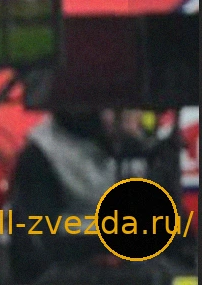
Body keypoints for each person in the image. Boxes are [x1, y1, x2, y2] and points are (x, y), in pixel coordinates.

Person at [10, 110, 186, 284]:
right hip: (67, 269)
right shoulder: (41, 153)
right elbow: (44, 239)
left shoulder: (141, 150)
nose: (137, 115)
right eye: (124, 109)